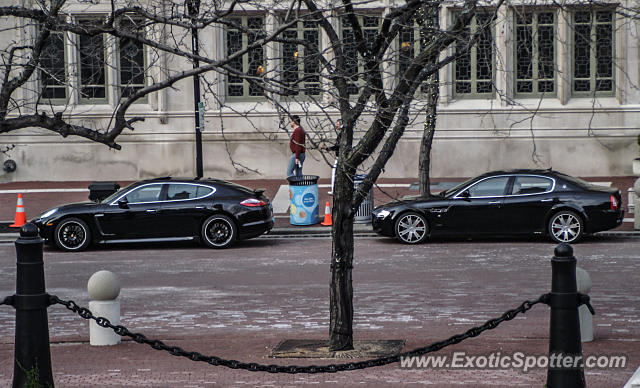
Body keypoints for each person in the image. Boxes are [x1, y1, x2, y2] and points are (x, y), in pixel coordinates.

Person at [322, 119, 342, 194]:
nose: (336, 125)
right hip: (340, 157)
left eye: (338, 124)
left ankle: (334, 190)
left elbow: (337, 146)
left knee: (334, 173)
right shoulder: (342, 134)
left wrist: (328, 148)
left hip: (339, 158)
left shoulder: (342, 135)